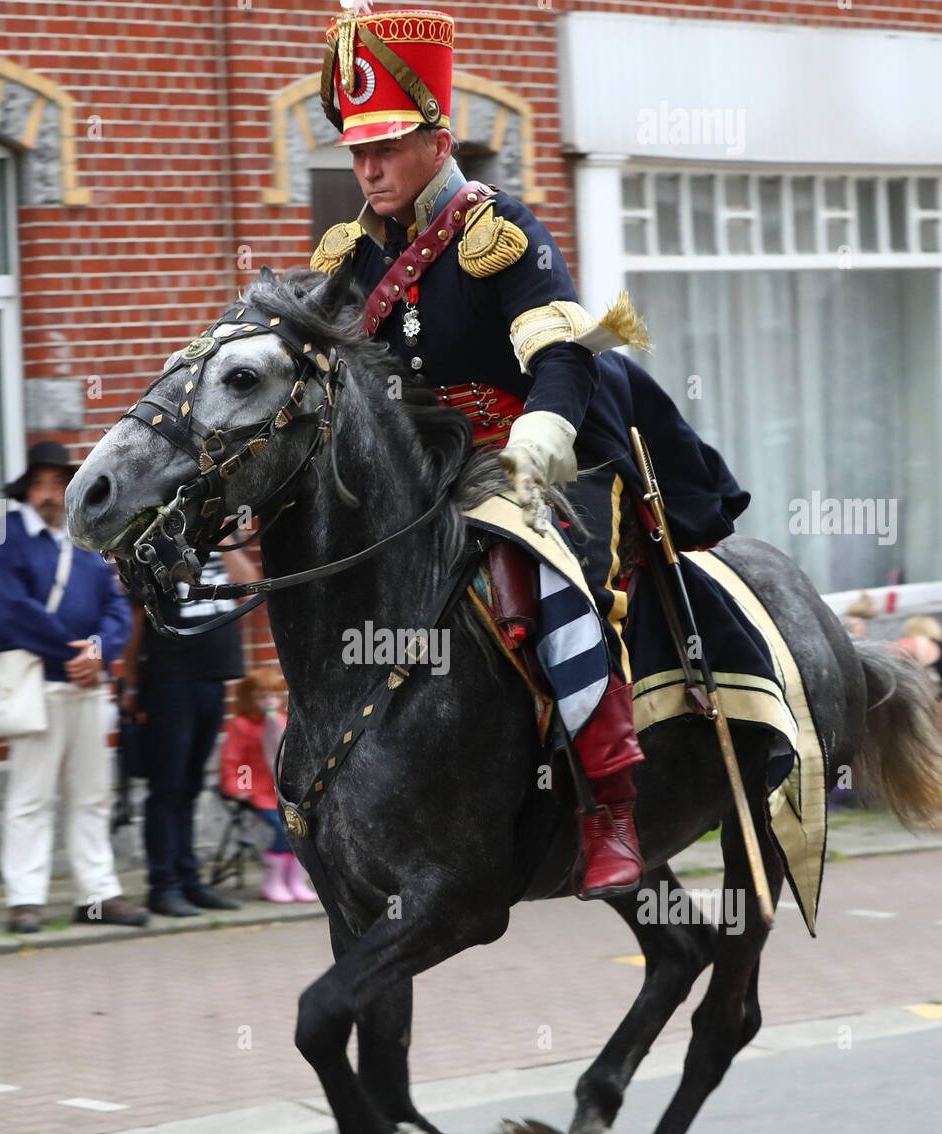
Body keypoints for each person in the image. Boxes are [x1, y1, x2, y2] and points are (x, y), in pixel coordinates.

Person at [311, 7, 749, 897]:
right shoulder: (350, 257)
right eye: (357, 151)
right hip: (431, 470)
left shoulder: (496, 230)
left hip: (548, 453)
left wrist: (541, 428)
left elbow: (561, 352)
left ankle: (611, 808)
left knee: (549, 585)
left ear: (436, 141)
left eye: (386, 147)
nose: (368, 168)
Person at [0, 440, 147, 933]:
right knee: (31, 798)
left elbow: (116, 608)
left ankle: (97, 894)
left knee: (92, 795)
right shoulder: (1, 537)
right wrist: (73, 650)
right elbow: (11, 609)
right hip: (37, 685)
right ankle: (25, 899)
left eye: (58, 484)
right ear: (27, 490)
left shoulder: (83, 538)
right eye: (41, 484)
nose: (50, 494)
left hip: (88, 685)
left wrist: (97, 650)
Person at [120, 534, 261, 917]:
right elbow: (136, 619)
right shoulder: (153, 547)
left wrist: (226, 537)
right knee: (168, 787)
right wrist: (131, 683)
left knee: (192, 785)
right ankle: (162, 886)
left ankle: (190, 881)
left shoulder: (218, 545)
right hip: (169, 680)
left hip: (212, 680)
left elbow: (247, 589)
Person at [220, 667, 318, 904]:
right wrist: (241, 788)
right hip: (258, 789)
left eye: (273, 696)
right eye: (262, 697)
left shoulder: (281, 721)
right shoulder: (241, 726)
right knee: (280, 825)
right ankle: (274, 879)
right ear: (249, 699)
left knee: (302, 826)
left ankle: (294, 879)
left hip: (283, 788)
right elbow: (235, 760)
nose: (269, 701)